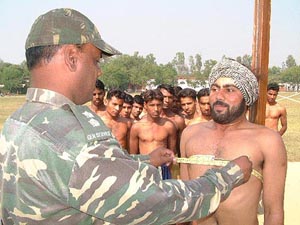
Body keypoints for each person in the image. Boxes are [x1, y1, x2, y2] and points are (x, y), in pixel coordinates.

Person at [0, 8, 253, 225]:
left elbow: (77, 172)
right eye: (96, 59)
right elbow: (153, 201)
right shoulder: (72, 135)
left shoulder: (19, 122)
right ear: (71, 57)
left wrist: (144, 160)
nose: (98, 70)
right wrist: (225, 177)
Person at [180, 58, 287, 225]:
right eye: (214, 89)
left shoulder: (268, 140)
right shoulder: (190, 134)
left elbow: (273, 210)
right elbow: (185, 201)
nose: (218, 95)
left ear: (247, 97)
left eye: (229, 90)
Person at [129, 89, 177, 179]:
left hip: (163, 168)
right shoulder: (137, 127)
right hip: (143, 167)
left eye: (158, 105)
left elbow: (172, 151)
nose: (156, 109)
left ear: (162, 105)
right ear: (145, 106)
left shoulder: (169, 126)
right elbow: (133, 155)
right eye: (152, 105)